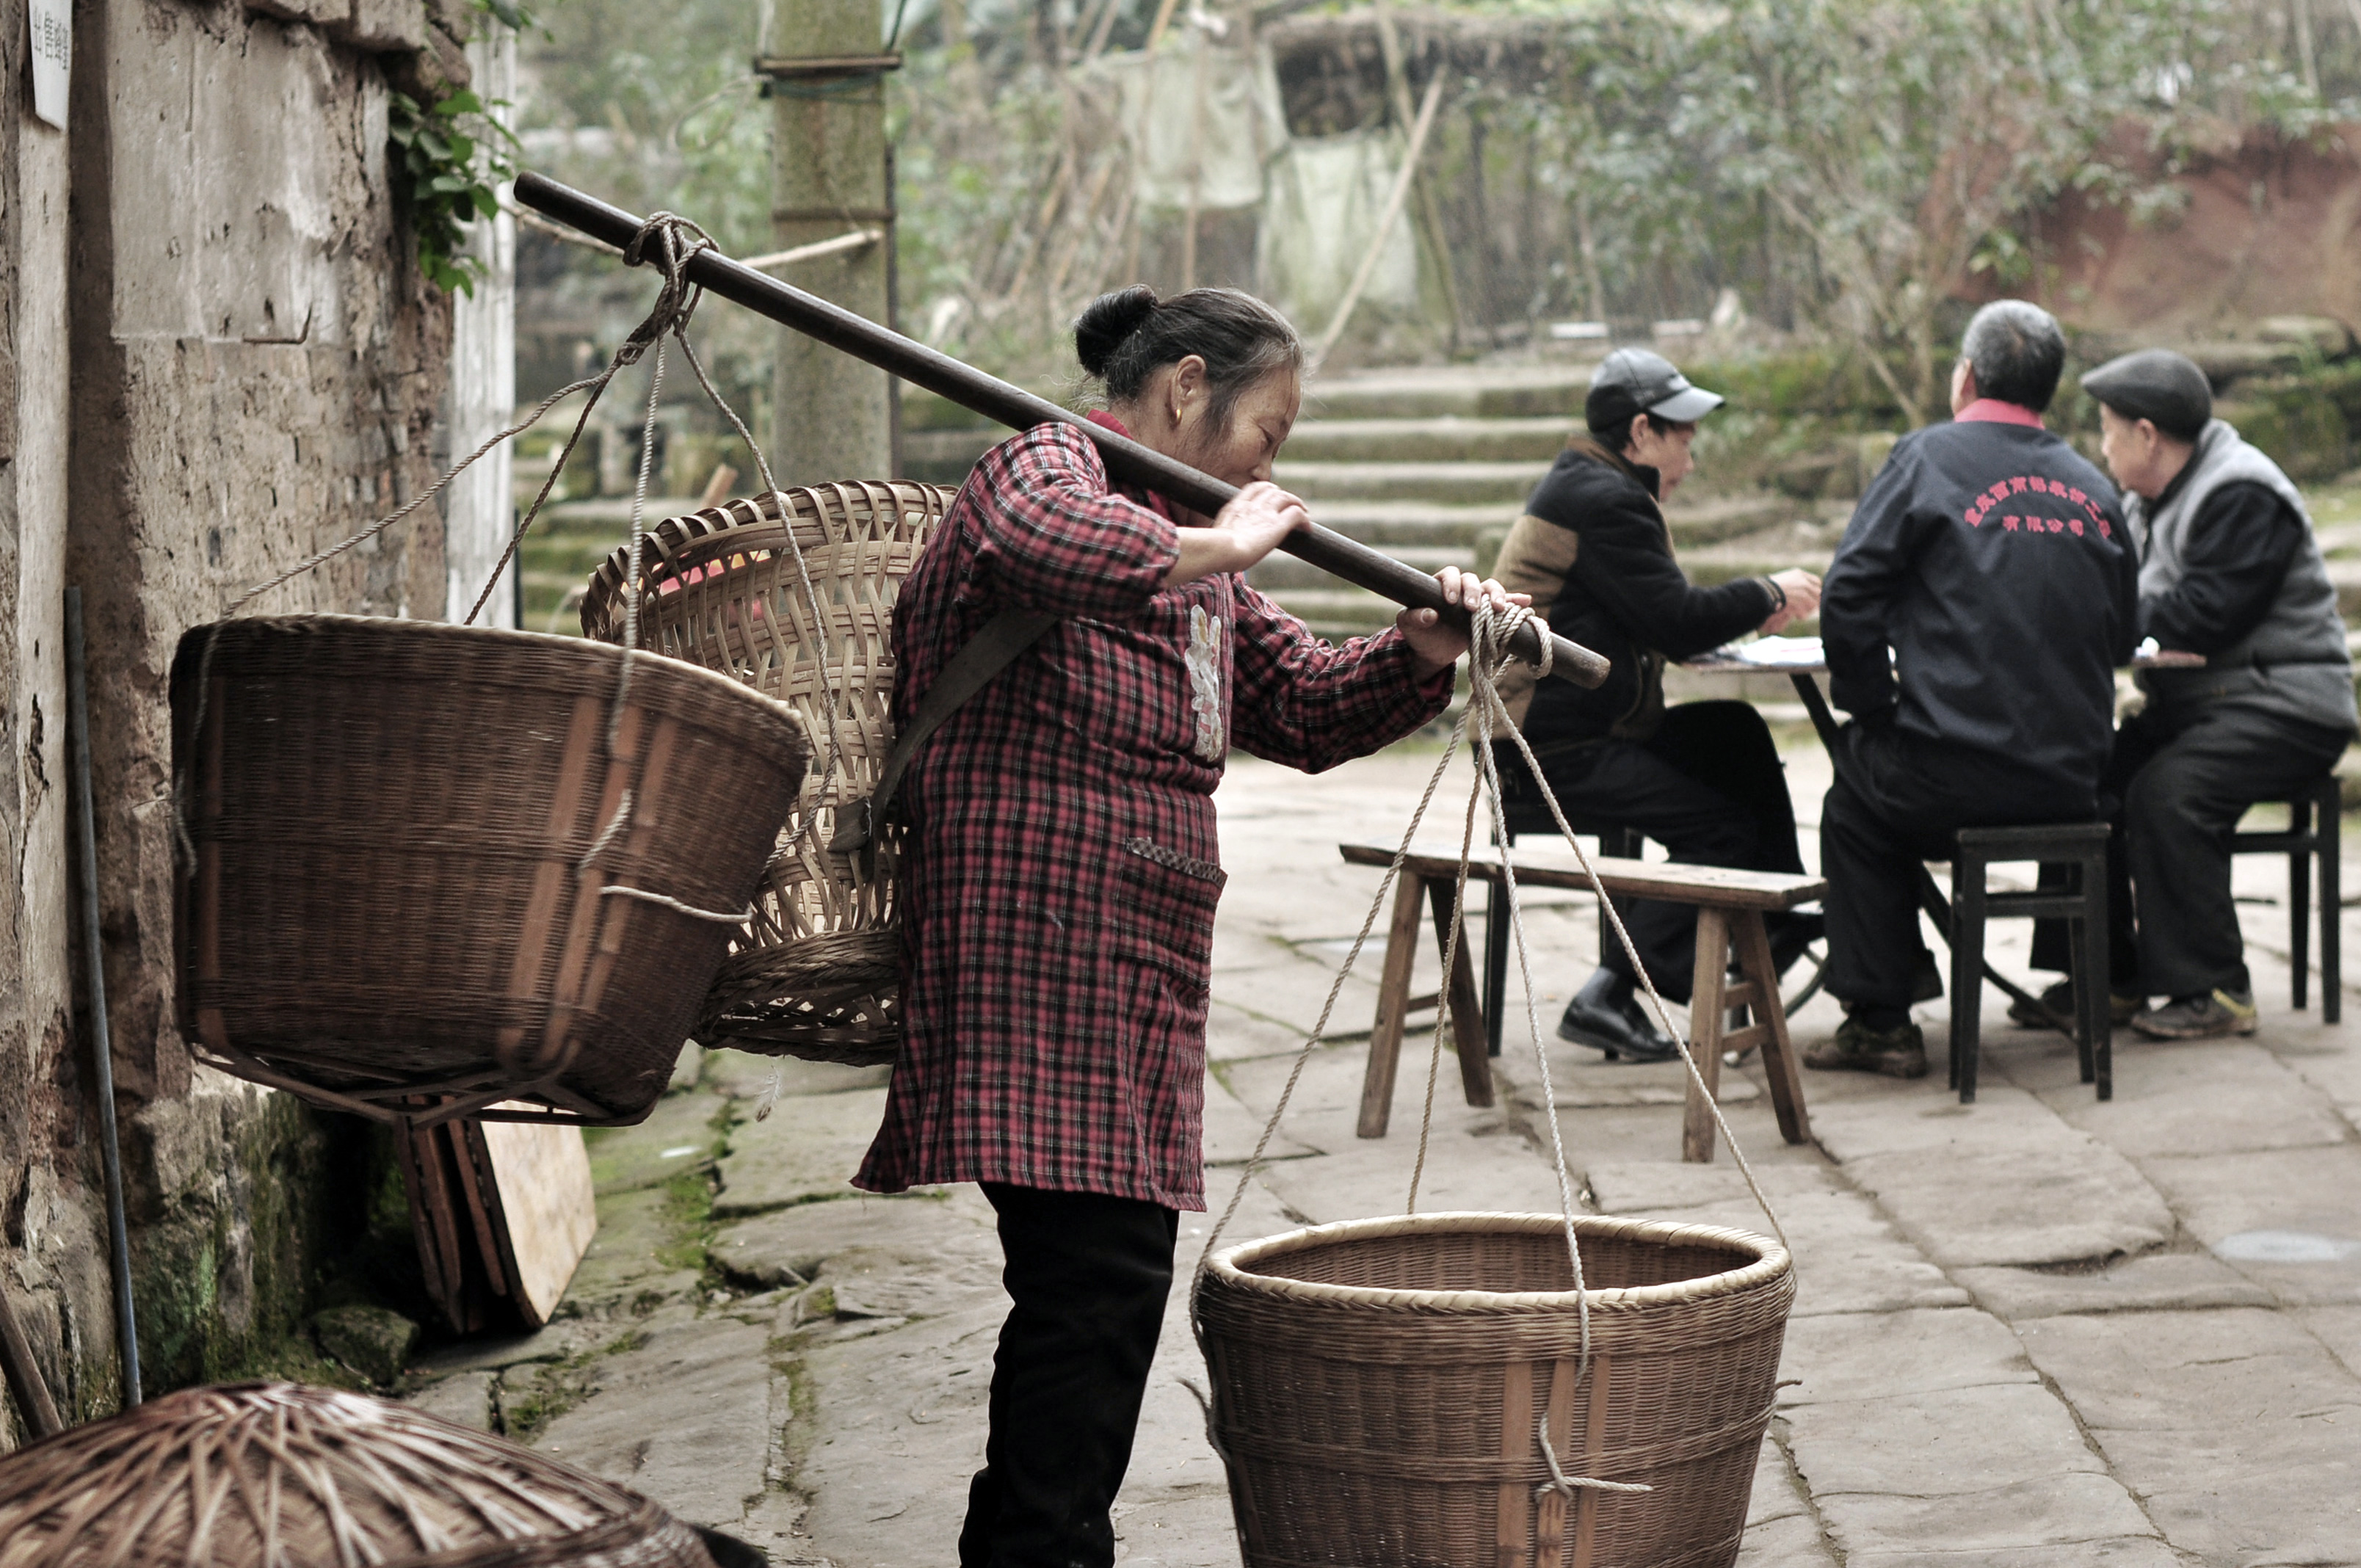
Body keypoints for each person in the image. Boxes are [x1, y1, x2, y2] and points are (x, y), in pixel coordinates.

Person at [853, 283, 1523, 1568]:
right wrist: (1224, 544)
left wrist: (1422, 649)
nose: (1274, 459)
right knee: (1088, 1288)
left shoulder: (1190, 552)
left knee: (1103, 1292)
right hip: (1030, 949)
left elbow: (1311, 704)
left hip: (1138, 969)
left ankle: (1048, 1544)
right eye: (1266, 428)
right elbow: (1046, 539)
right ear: (1183, 388)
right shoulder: (1039, 460)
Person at [1808, 300, 2139, 1078]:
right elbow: (2125, 635)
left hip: (1945, 780)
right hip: (2073, 784)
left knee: (1853, 796)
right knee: (2077, 766)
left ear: (1965, 376)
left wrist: (1872, 707)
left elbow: (1848, 595)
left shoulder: (1925, 460)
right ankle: (2077, 979)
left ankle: (1882, 1017)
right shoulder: (2094, 486)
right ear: (2048, 391)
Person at [1489, 346, 1824, 1061]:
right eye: (1684, 438)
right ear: (1641, 432)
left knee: (1732, 732)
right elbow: (1676, 620)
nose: (1690, 460)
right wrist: (1768, 591)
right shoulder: (1606, 500)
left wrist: (1735, 612)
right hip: (1547, 751)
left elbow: (1658, 617)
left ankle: (1777, 923)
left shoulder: (1592, 486)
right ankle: (1609, 993)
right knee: (1721, 830)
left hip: (1579, 729)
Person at [2017, 349, 2354, 1039]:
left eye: (2109, 432)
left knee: (2168, 794)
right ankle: (2102, 977)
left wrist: (2096, 622)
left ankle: (2215, 989)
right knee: (2080, 774)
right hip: (2205, 703)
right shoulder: (2147, 500)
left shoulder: (2242, 493)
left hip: (2283, 704)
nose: (2102, 449)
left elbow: (2204, 614)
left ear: (2147, 435)